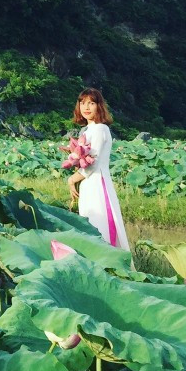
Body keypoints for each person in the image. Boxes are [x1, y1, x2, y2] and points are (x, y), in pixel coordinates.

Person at [67, 88, 130, 250]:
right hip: (89, 183)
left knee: (99, 223)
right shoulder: (88, 130)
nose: (86, 107)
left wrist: (72, 179)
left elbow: (92, 163)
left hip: (97, 182)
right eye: (82, 103)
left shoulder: (100, 129)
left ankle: (109, 262)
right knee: (88, 220)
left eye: (91, 103)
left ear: (99, 106)